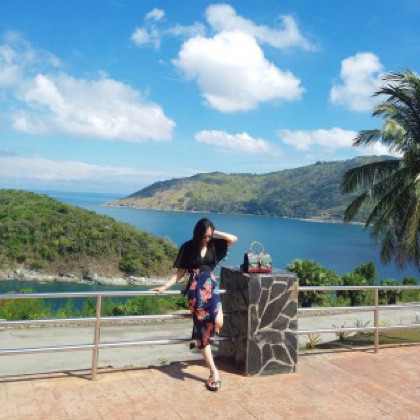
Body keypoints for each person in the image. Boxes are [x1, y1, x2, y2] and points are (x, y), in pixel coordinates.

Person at [152, 218, 238, 391]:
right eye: (205, 236)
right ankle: (214, 372)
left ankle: (200, 331)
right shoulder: (188, 247)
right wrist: (164, 286)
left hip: (211, 289)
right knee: (203, 335)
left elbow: (233, 239)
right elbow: (180, 273)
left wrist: (214, 231)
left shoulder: (214, 244)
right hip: (195, 292)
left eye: (209, 236)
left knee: (219, 321)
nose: (207, 239)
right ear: (198, 234)